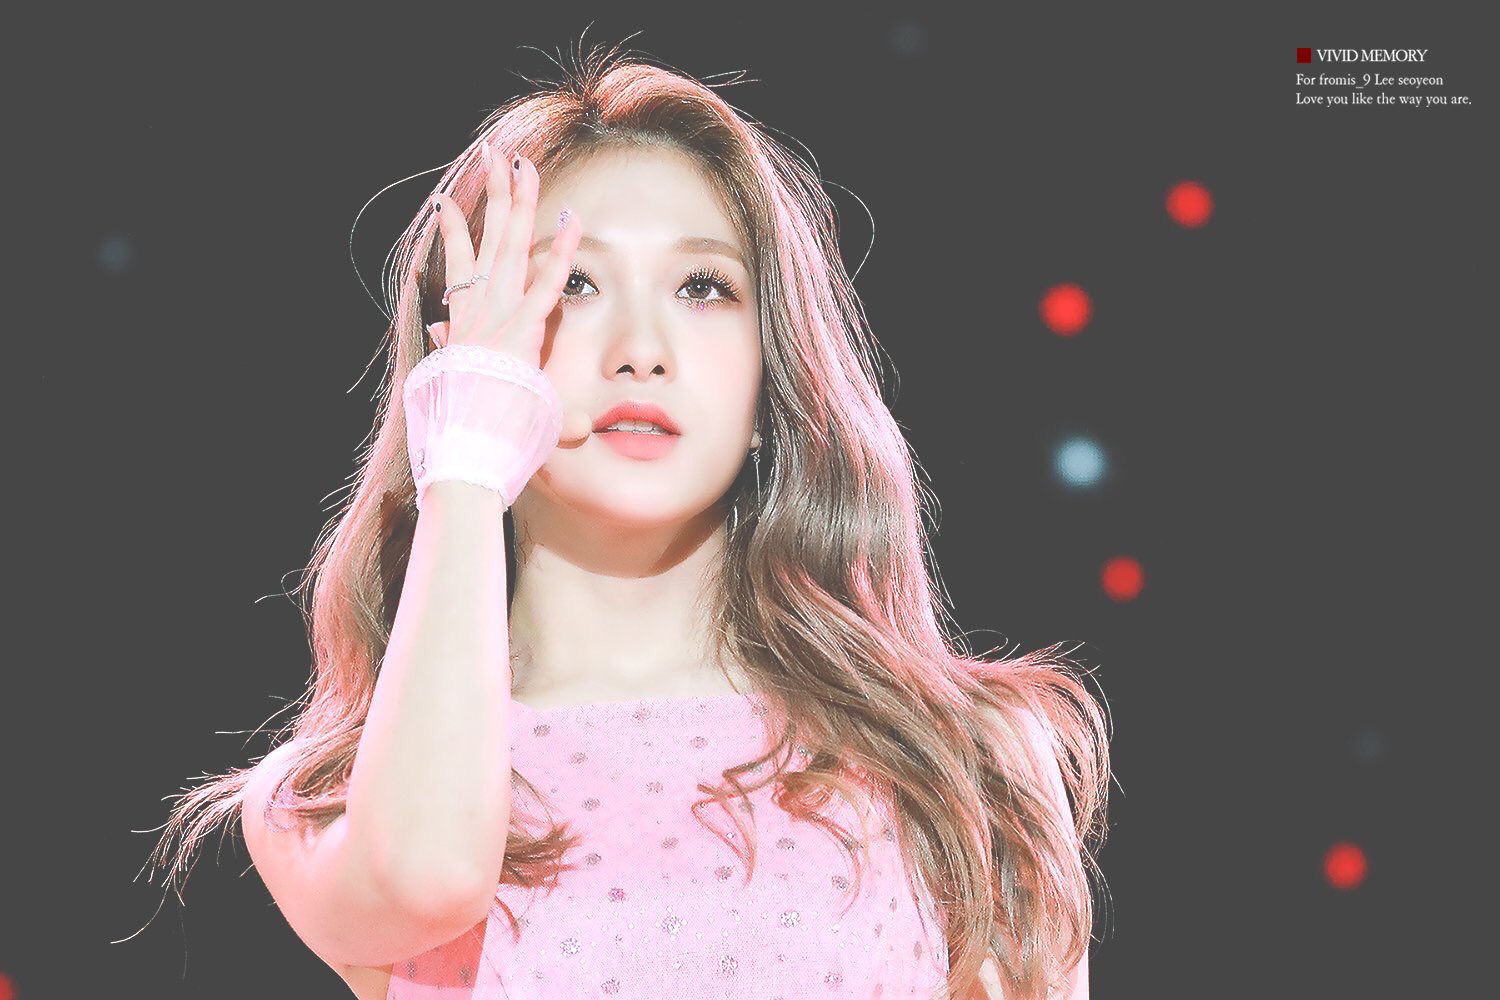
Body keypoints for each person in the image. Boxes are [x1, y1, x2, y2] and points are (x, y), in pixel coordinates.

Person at [146, 42, 1110, 1000]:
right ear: (462, 348)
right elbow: (428, 879)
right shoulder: (325, 800)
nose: (641, 350)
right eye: (570, 282)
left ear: (772, 374)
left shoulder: (965, 757)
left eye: (704, 288)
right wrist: (470, 454)